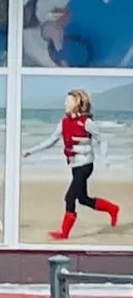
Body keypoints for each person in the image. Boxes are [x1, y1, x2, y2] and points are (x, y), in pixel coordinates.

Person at [23, 88, 119, 240]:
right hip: (75, 166)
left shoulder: (87, 123)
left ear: (77, 103)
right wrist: (31, 151)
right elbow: (50, 141)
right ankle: (112, 209)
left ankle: (64, 233)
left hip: (86, 165)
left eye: (68, 101)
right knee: (83, 199)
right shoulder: (63, 123)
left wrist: (104, 158)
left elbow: (102, 139)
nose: (64, 103)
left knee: (69, 197)